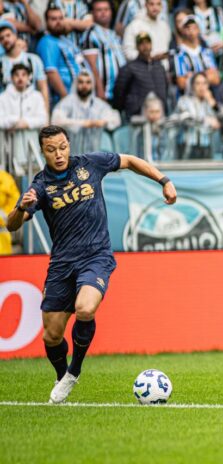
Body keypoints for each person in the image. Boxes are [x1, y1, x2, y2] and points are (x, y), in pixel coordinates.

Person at [6, 124, 177, 403]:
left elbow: (130, 161)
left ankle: (74, 371)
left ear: (69, 145)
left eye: (62, 147)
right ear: (43, 152)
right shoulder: (40, 185)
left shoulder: (90, 164)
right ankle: (62, 376)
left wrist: (164, 181)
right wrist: (21, 208)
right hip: (62, 263)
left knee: (85, 308)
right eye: (51, 150)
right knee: (51, 336)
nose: (58, 154)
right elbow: (12, 225)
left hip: (96, 256)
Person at [51, 70, 121, 154]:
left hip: (94, 155)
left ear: (92, 85)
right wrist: (83, 123)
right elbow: (56, 121)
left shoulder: (99, 105)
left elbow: (115, 119)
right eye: (81, 82)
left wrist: (103, 122)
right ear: (76, 84)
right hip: (71, 155)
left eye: (88, 82)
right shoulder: (67, 102)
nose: (84, 86)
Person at [112, 31, 168, 120]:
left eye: (147, 42)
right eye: (141, 43)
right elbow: (119, 94)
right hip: (137, 117)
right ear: (137, 47)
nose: (145, 46)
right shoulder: (129, 68)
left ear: (151, 45)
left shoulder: (159, 67)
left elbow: (166, 89)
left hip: (159, 115)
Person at [36, 5, 85, 105]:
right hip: (63, 99)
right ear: (46, 22)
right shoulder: (47, 42)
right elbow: (51, 72)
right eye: (53, 19)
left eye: (61, 18)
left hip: (80, 96)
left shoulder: (66, 40)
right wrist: (65, 98)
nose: (58, 22)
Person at [80, 0, 126, 101]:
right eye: (99, 10)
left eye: (106, 9)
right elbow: (91, 65)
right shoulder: (91, 34)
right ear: (92, 13)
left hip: (119, 93)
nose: (103, 13)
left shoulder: (113, 34)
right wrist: (100, 91)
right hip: (104, 94)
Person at [0, 19, 48, 109]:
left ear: (15, 35)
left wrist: (45, 113)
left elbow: (43, 88)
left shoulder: (33, 60)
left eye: (8, 35)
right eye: (1, 38)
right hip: (6, 112)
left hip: (31, 110)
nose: (5, 39)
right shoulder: (1, 62)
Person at [172, 72, 221, 159]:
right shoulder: (184, 100)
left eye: (204, 83)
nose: (201, 87)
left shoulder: (210, 103)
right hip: (188, 145)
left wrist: (213, 104)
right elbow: (186, 119)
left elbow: (222, 120)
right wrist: (205, 120)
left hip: (207, 144)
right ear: (192, 86)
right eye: (198, 83)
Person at [174, 14, 220, 92]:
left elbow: (216, 79)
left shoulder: (207, 52)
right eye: (188, 28)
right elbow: (181, 83)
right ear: (183, 31)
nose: (191, 31)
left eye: (194, 27)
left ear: (199, 29)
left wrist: (191, 76)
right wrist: (206, 74)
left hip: (208, 94)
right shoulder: (179, 54)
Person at [122, 0, 171, 68]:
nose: (155, 8)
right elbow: (127, 52)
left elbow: (167, 49)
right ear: (145, 5)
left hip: (163, 70)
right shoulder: (134, 26)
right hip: (141, 71)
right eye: (151, 4)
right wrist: (149, 58)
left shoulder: (165, 26)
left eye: (158, 4)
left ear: (162, 6)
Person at [0, 63, 48, 131]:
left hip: (31, 137)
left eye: (23, 75)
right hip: (9, 137)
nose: (20, 78)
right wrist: (15, 121)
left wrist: (26, 123)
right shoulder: (2, 97)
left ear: (29, 77)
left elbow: (43, 119)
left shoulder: (37, 96)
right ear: (11, 78)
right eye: (16, 75)